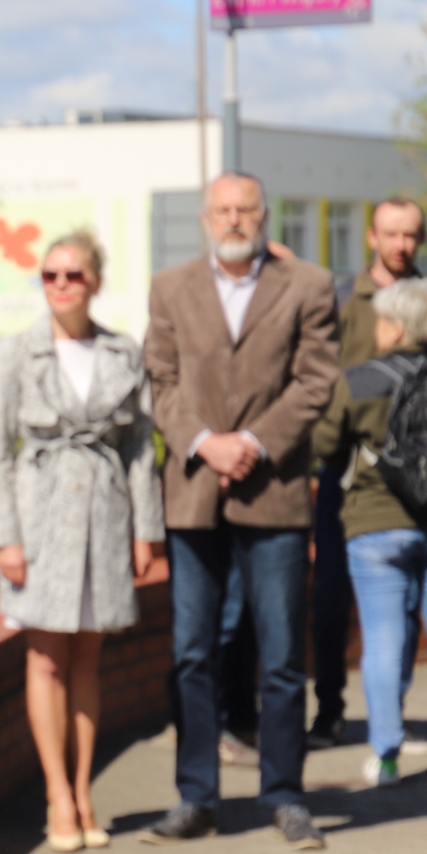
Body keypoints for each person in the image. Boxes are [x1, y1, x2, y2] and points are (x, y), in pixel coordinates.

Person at [140, 172, 339, 849]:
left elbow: (316, 380)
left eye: (245, 209)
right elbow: (161, 382)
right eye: (222, 209)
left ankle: (284, 795)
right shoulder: (170, 288)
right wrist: (206, 443)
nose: (233, 219)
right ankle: (196, 797)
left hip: (274, 492)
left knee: (282, 658)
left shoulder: (307, 286)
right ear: (205, 217)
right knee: (193, 653)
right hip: (194, 494)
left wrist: (251, 444)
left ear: (264, 215)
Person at [0, 230, 163, 852]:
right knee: (45, 658)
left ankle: (84, 790)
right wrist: (3, 537)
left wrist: (147, 529)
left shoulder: (122, 352)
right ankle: (57, 795)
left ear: (94, 281)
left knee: (89, 659)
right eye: (50, 275)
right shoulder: (18, 352)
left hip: (107, 518)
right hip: (39, 521)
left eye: (73, 275)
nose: (60, 285)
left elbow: (141, 446)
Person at [307, 198, 426, 751]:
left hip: (418, 484)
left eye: (412, 235)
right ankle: (331, 708)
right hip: (354, 478)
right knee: (332, 598)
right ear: (372, 238)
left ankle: (389, 718)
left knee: (397, 615)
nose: (402, 245)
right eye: (392, 234)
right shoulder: (342, 302)